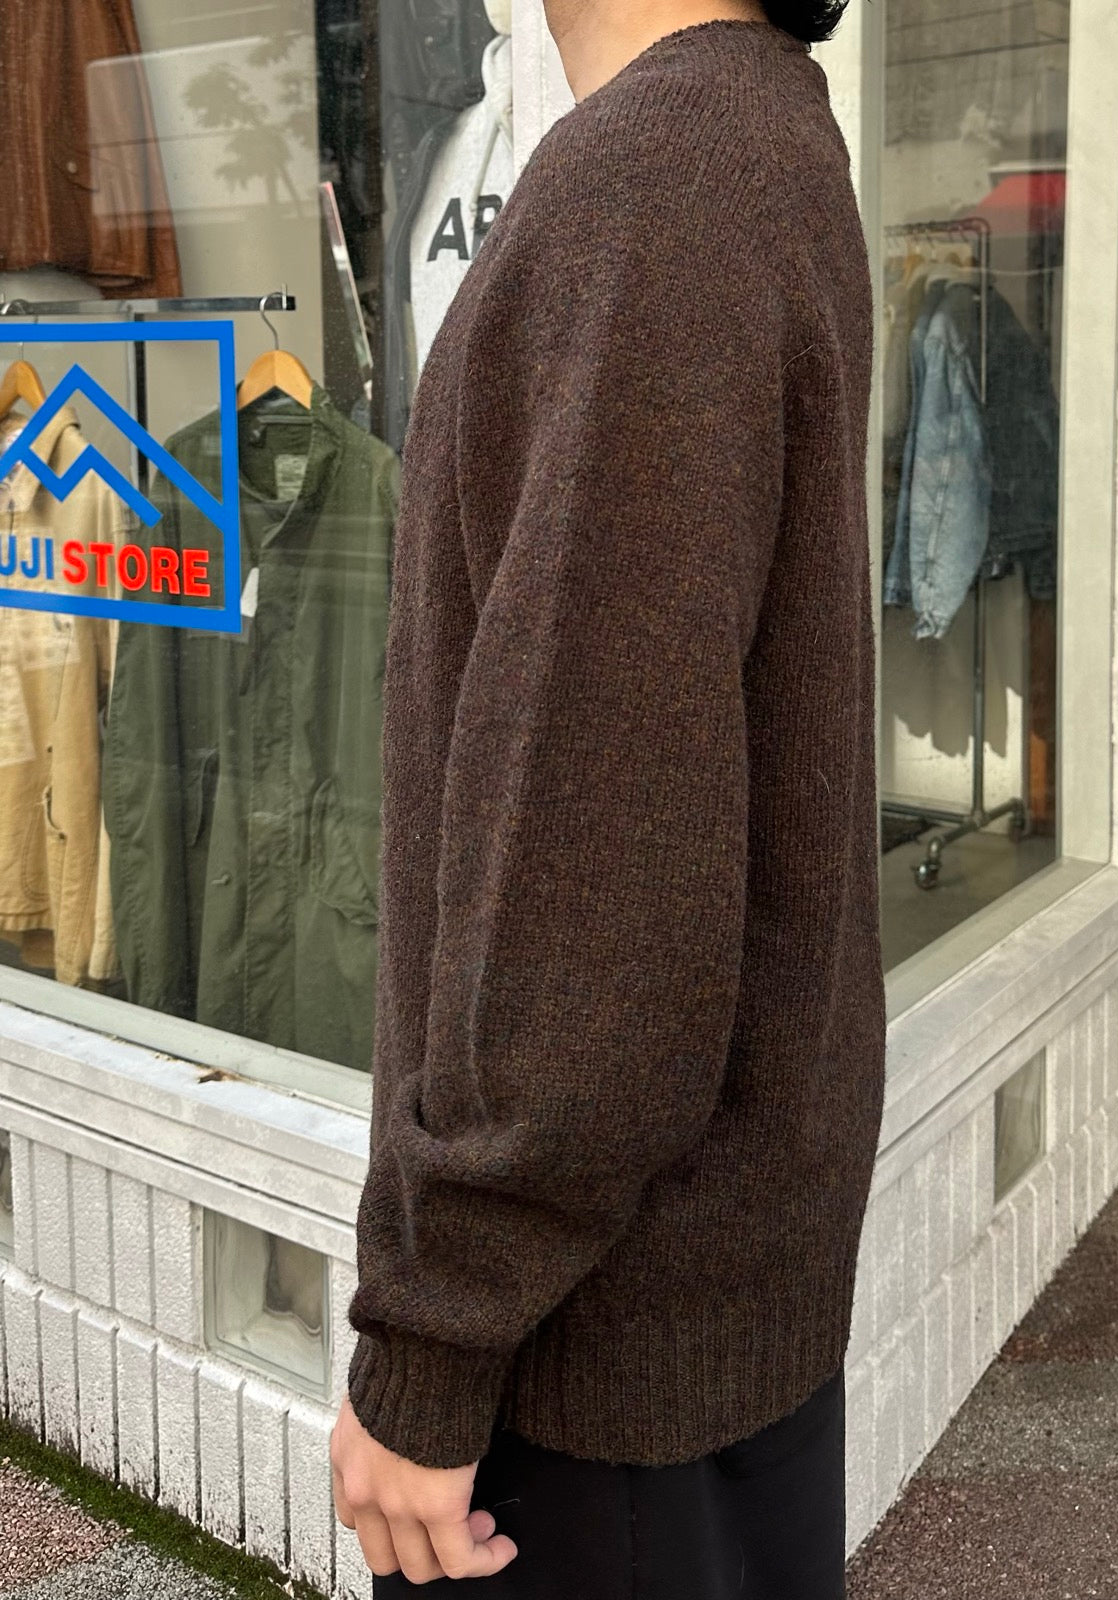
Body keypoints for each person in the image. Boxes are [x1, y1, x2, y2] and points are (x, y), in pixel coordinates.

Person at [329, 0, 886, 1594]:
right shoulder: (756, 136)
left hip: (589, 1364)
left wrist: (433, 1338)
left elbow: (603, 854)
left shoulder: (658, 180)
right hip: (684, 1302)